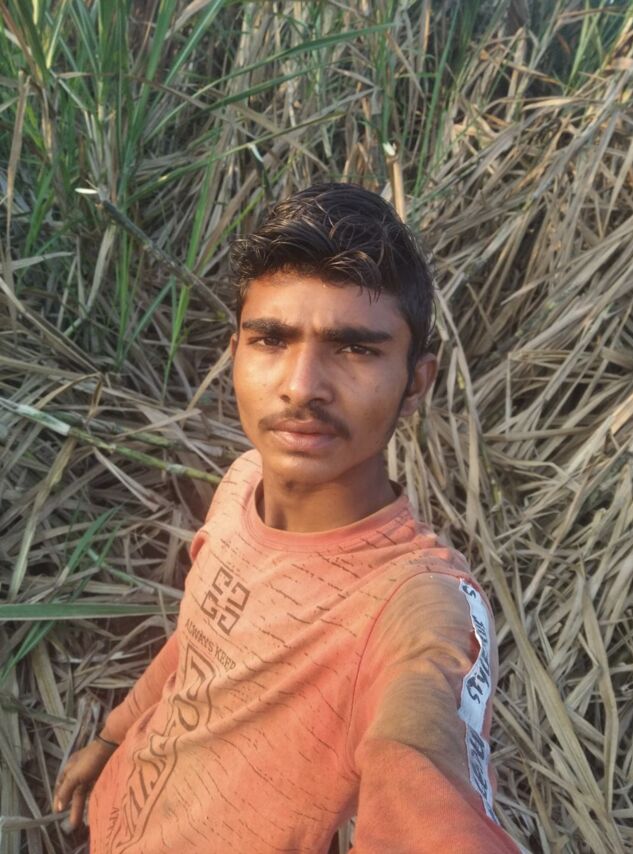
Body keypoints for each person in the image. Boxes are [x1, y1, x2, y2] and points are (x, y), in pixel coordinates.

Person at [54, 183, 521, 853]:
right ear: (236, 353)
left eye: (355, 349)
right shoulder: (243, 481)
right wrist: (110, 738)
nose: (301, 387)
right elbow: (201, 638)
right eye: (271, 339)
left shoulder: (414, 606)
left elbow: (423, 771)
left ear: (416, 383)